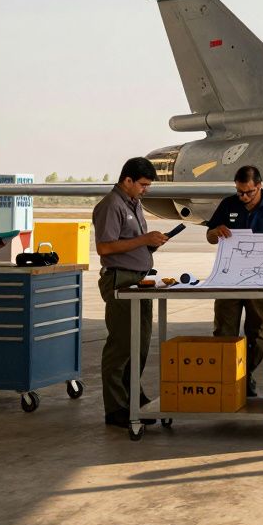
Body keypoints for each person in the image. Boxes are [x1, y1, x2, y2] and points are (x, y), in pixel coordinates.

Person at [93, 157, 168, 429]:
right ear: (127, 180)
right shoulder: (111, 206)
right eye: (143, 185)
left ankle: (133, 396)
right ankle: (116, 407)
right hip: (120, 280)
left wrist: (149, 246)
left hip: (139, 280)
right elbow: (105, 248)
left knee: (141, 342)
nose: (146, 190)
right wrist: (145, 240)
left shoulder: (134, 204)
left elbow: (128, 242)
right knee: (121, 345)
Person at [205, 165, 263, 397]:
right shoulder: (228, 204)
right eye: (239, 192)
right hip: (229, 279)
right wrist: (215, 233)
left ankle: (247, 373)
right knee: (224, 330)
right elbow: (210, 236)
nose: (243, 197)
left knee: (258, 332)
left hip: (262, 281)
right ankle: (227, 377)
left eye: (248, 192)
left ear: (259, 187)